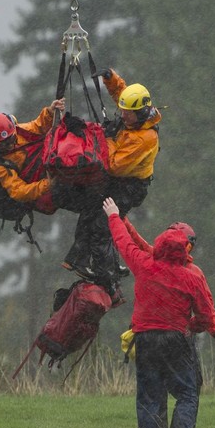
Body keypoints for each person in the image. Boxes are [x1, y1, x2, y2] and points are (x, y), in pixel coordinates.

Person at [103, 197, 215, 428]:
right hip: (175, 339)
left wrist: (115, 216)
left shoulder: (145, 264)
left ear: (161, 242)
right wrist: (193, 328)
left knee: (149, 398)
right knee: (188, 392)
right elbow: (205, 314)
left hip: (145, 339)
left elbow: (125, 243)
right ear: (186, 247)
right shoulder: (192, 276)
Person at [59, 69, 161, 304]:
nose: (123, 115)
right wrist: (110, 78)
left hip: (130, 187)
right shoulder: (136, 116)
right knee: (91, 210)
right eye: (122, 110)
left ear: (141, 112)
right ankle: (81, 259)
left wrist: (107, 139)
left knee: (103, 225)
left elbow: (115, 165)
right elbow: (122, 94)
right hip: (119, 183)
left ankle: (108, 279)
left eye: (128, 113)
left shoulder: (146, 138)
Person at [123, 217, 215, 428]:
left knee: (153, 396)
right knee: (189, 392)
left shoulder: (156, 261)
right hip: (180, 340)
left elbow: (137, 243)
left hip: (149, 337)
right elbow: (206, 308)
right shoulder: (193, 273)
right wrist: (210, 330)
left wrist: (121, 219)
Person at [0, 98, 65, 206]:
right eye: (4, 144)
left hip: (53, 164)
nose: (9, 145)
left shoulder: (18, 131)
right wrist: (47, 184)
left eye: (11, 139)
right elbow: (18, 191)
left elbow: (38, 126)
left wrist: (50, 112)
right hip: (44, 186)